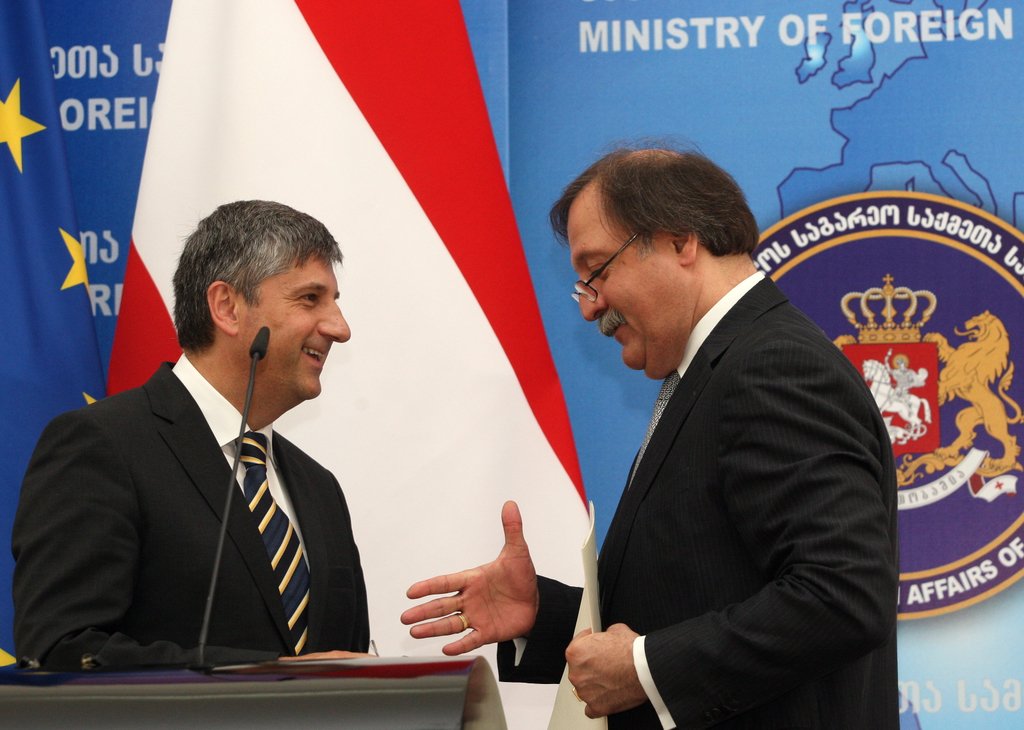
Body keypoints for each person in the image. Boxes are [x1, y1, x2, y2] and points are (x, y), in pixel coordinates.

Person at [401, 148, 899, 728]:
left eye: (597, 272)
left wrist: (644, 669)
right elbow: (700, 599)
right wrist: (546, 615)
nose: (590, 308)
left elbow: (842, 596)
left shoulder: (773, 366)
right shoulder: (718, 369)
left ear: (680, 241)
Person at [12, 200, 369, 670]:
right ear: (226, 307)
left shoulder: (319, 488)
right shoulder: (101, 447)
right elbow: (61, 651)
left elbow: (346, 666)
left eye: (335, 302)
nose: (340, 328)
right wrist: (268, 678)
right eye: (310, 299)